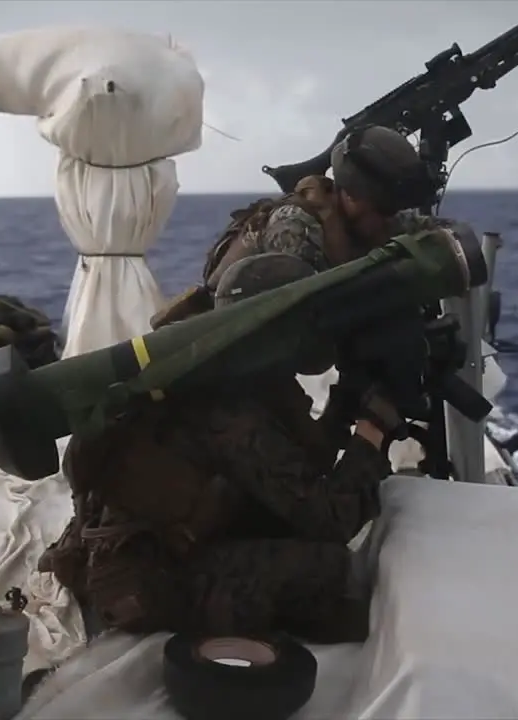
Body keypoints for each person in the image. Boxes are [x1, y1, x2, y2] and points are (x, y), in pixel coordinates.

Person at [37, 253, 406, 644]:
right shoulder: (228, 409)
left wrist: (343, 407)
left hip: (141, 542)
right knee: (328, 566)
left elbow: (296, 466)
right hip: (141, 582)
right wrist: (372, 433)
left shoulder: (218, 368)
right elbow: (332, 517)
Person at [150, 124, 456, 329]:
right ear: (349, 194)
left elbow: (440, 234)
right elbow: (313, 316)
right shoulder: (295, 229)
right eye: (384, 208)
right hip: (231, 344)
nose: (390, 219)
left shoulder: (371, 216)